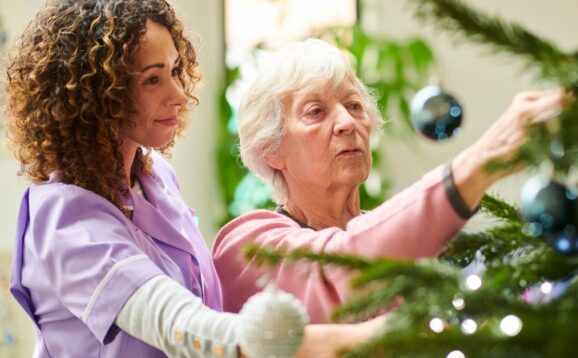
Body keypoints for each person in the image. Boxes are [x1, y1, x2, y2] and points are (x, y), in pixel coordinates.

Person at [5, 1, 382, 357]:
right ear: (97, 93)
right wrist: (374, 335)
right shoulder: (66, 218)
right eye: (152, 79)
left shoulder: (157, 182)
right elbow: (188, 330)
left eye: (173, 71)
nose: (180, 95)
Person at [212, 39, 571, 323]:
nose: (347, 123)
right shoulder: (246, 247)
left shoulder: (409, 242)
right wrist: (480, 161)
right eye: (316, 111)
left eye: (354, 105)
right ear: (271, 149)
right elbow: (347, 269)